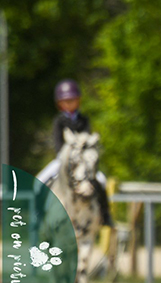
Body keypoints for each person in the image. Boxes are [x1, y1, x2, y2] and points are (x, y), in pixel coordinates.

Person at [36, 79, 113, 226]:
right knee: (39, 181)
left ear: (78, 101)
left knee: (102, 180)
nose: (69, 103)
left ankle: (105, 214)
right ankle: (38, 215)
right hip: (63, 160)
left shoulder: (84, 120)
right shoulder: (58, 121)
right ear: (59, 103)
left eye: (72, 100)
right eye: (65, 101)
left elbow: (87, 139)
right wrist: (66, 156)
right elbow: (58, 143)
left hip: (82, 161)